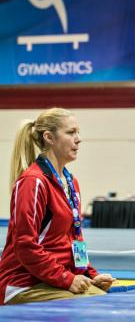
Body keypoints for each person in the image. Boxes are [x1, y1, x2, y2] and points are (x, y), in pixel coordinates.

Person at [0, 108, 115, 305]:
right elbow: (25, 245)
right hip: (24, 284)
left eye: (78, 132)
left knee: (105, 299)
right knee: (94, 305)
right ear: (49, 138)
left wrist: (90, 274)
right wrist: (67, 279)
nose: (78, 139)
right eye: (71, 133)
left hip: (54, 280)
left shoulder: (71, 182)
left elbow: (75, 238)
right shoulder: (33, 182)